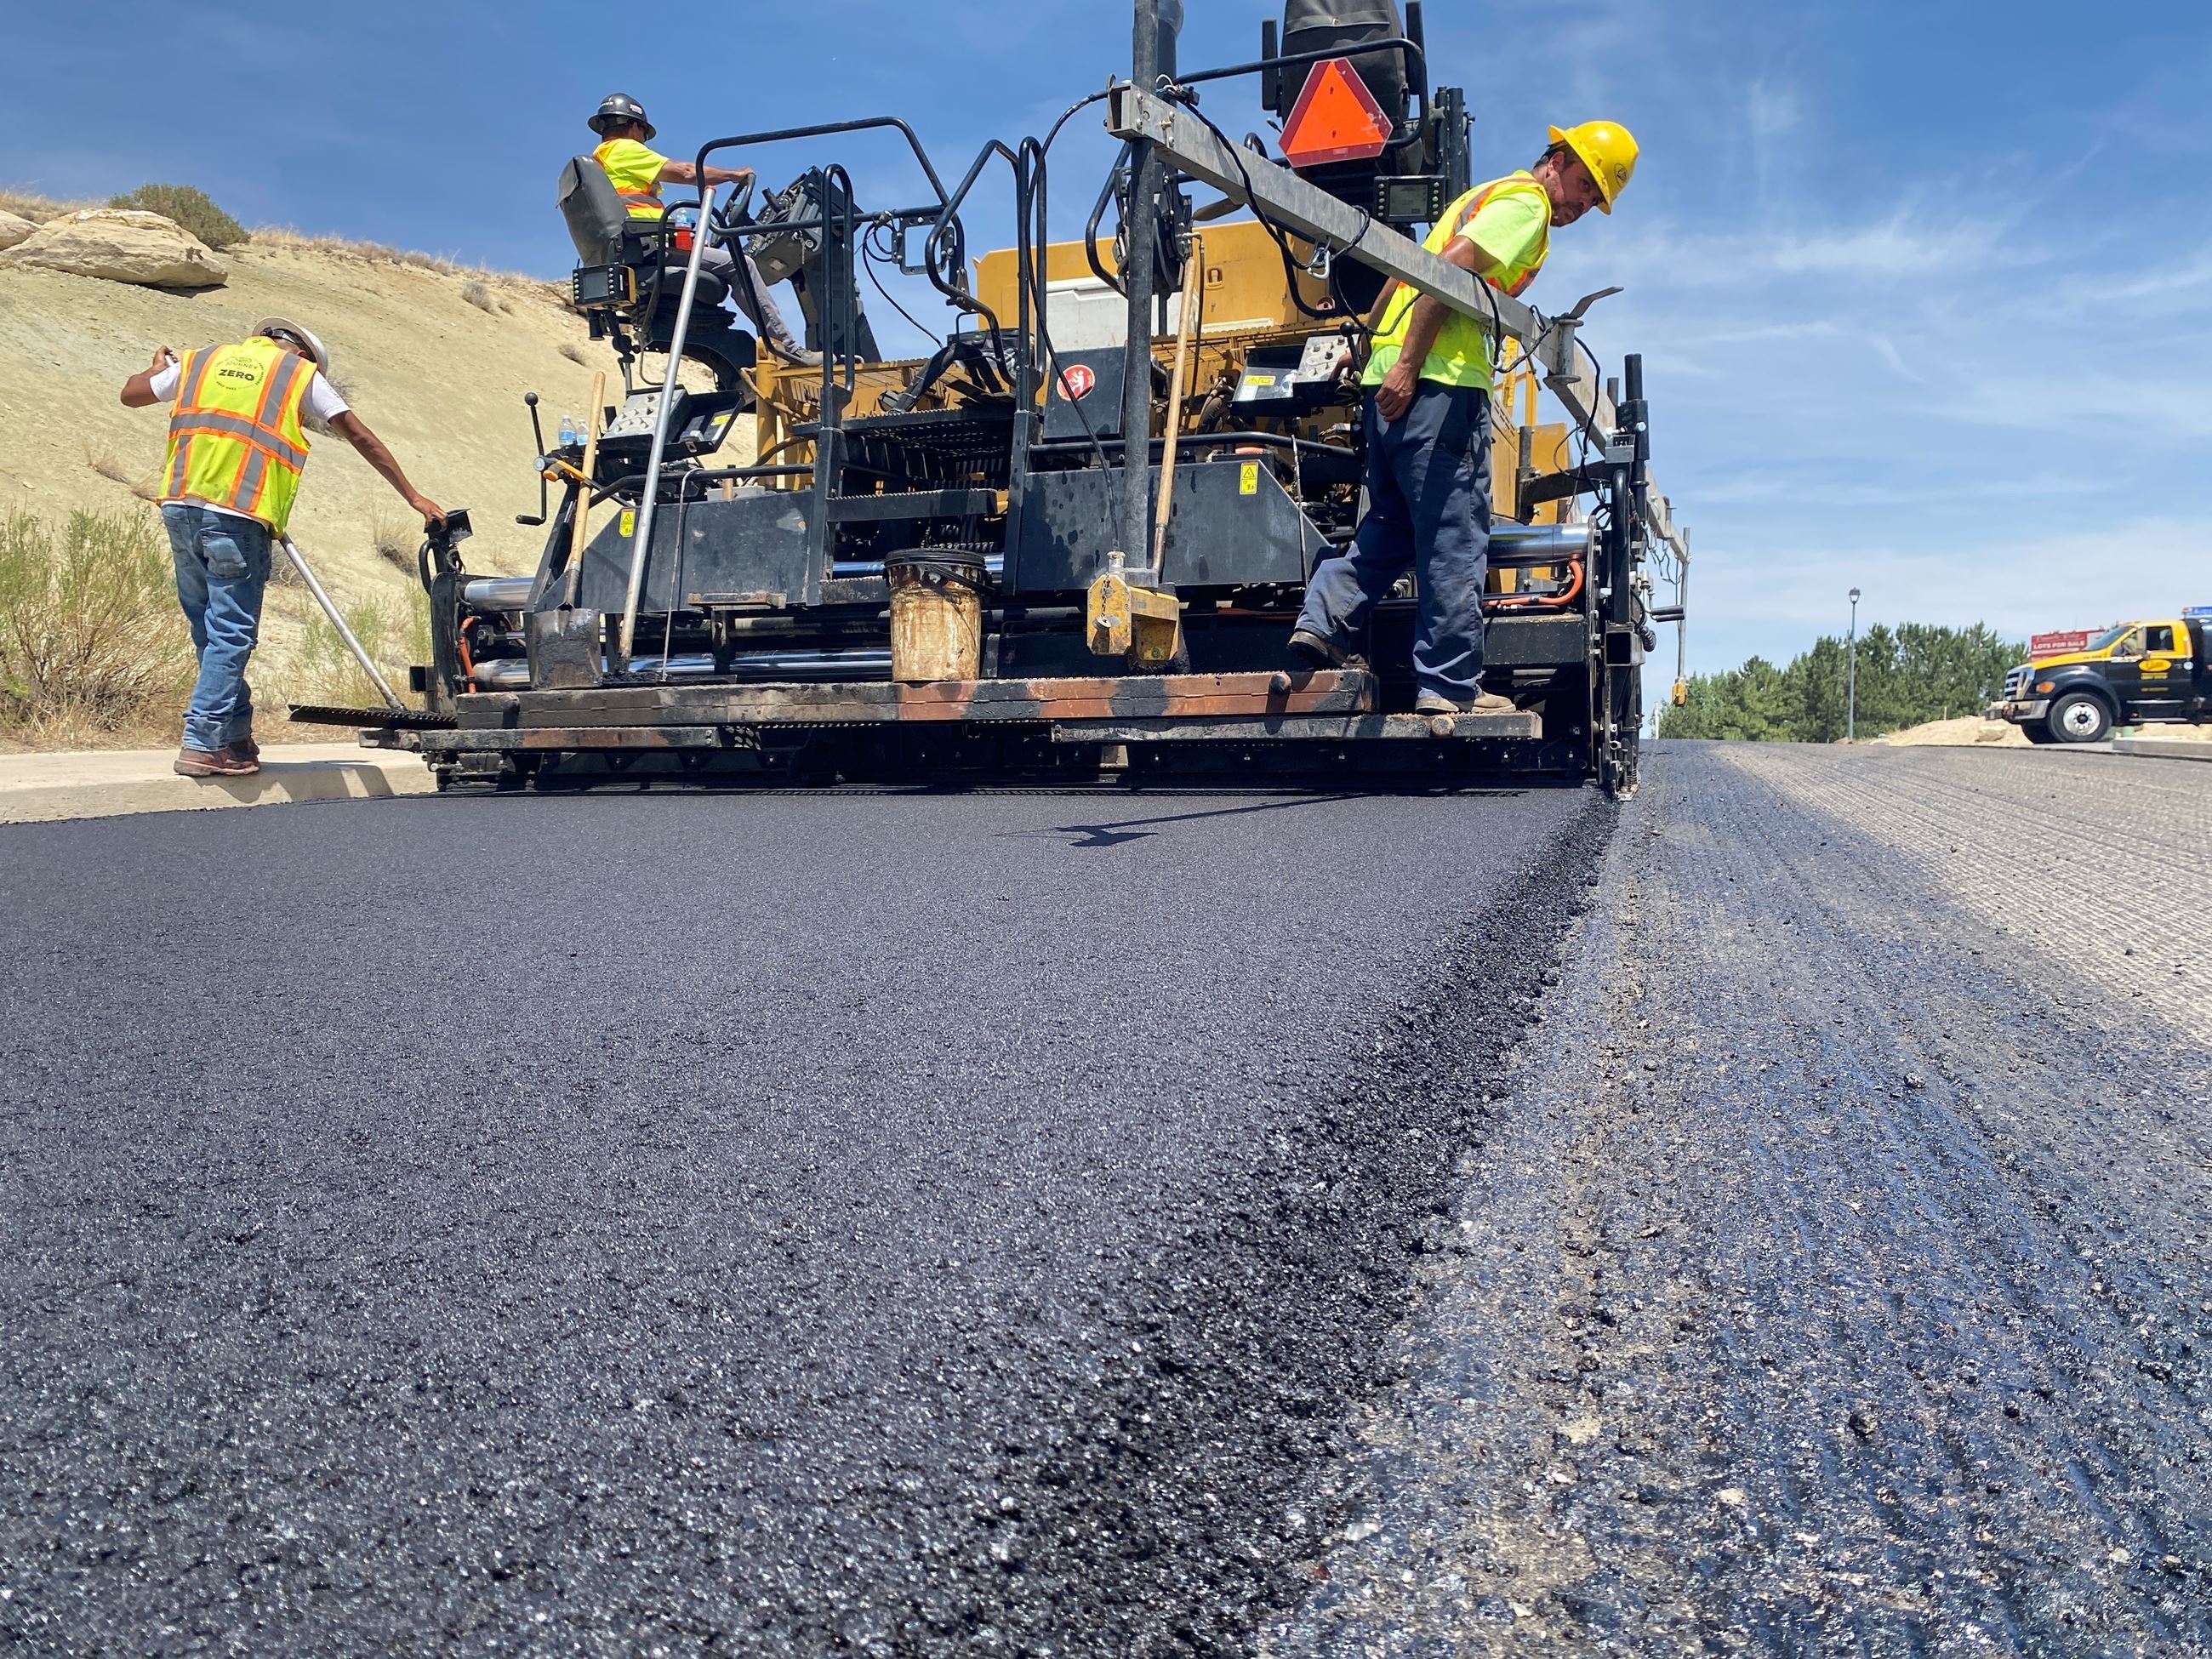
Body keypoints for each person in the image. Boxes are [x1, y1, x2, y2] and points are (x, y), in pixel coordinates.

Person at [1287, 121, 1639, 715]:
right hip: (1440, 388)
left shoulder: (1476, 200)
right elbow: (1447, 273)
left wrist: (1371, 345)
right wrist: (1408, 362)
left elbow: (1406, 268)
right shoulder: (1524, 206)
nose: (1582, 203)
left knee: (1387, 530)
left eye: (1594, 198)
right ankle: (1448, 688)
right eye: (1584, 185)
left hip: (1393, 394)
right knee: (1454, 541)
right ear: (1557, 159)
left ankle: (1319, 623)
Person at [119, 319, 444, 778]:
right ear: (304, 355)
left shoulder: (199, 361)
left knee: (210, 633)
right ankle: (202, 742)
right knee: (231, 633)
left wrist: (155, 369)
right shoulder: (298, 375)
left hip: (180, 508)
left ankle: (233, 738)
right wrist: (413, 496)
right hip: (238, 515)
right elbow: (360, 435)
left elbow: (131, 393)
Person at [588, 93, 819, 366]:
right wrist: (733, 175)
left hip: (638, 248)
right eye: (643, 133)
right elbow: (686, 171)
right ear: (635, 127)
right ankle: (786, 347)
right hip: (650, 250)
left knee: (719, 255)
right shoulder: (624, 149)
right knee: (741, 265)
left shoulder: (599, 160)